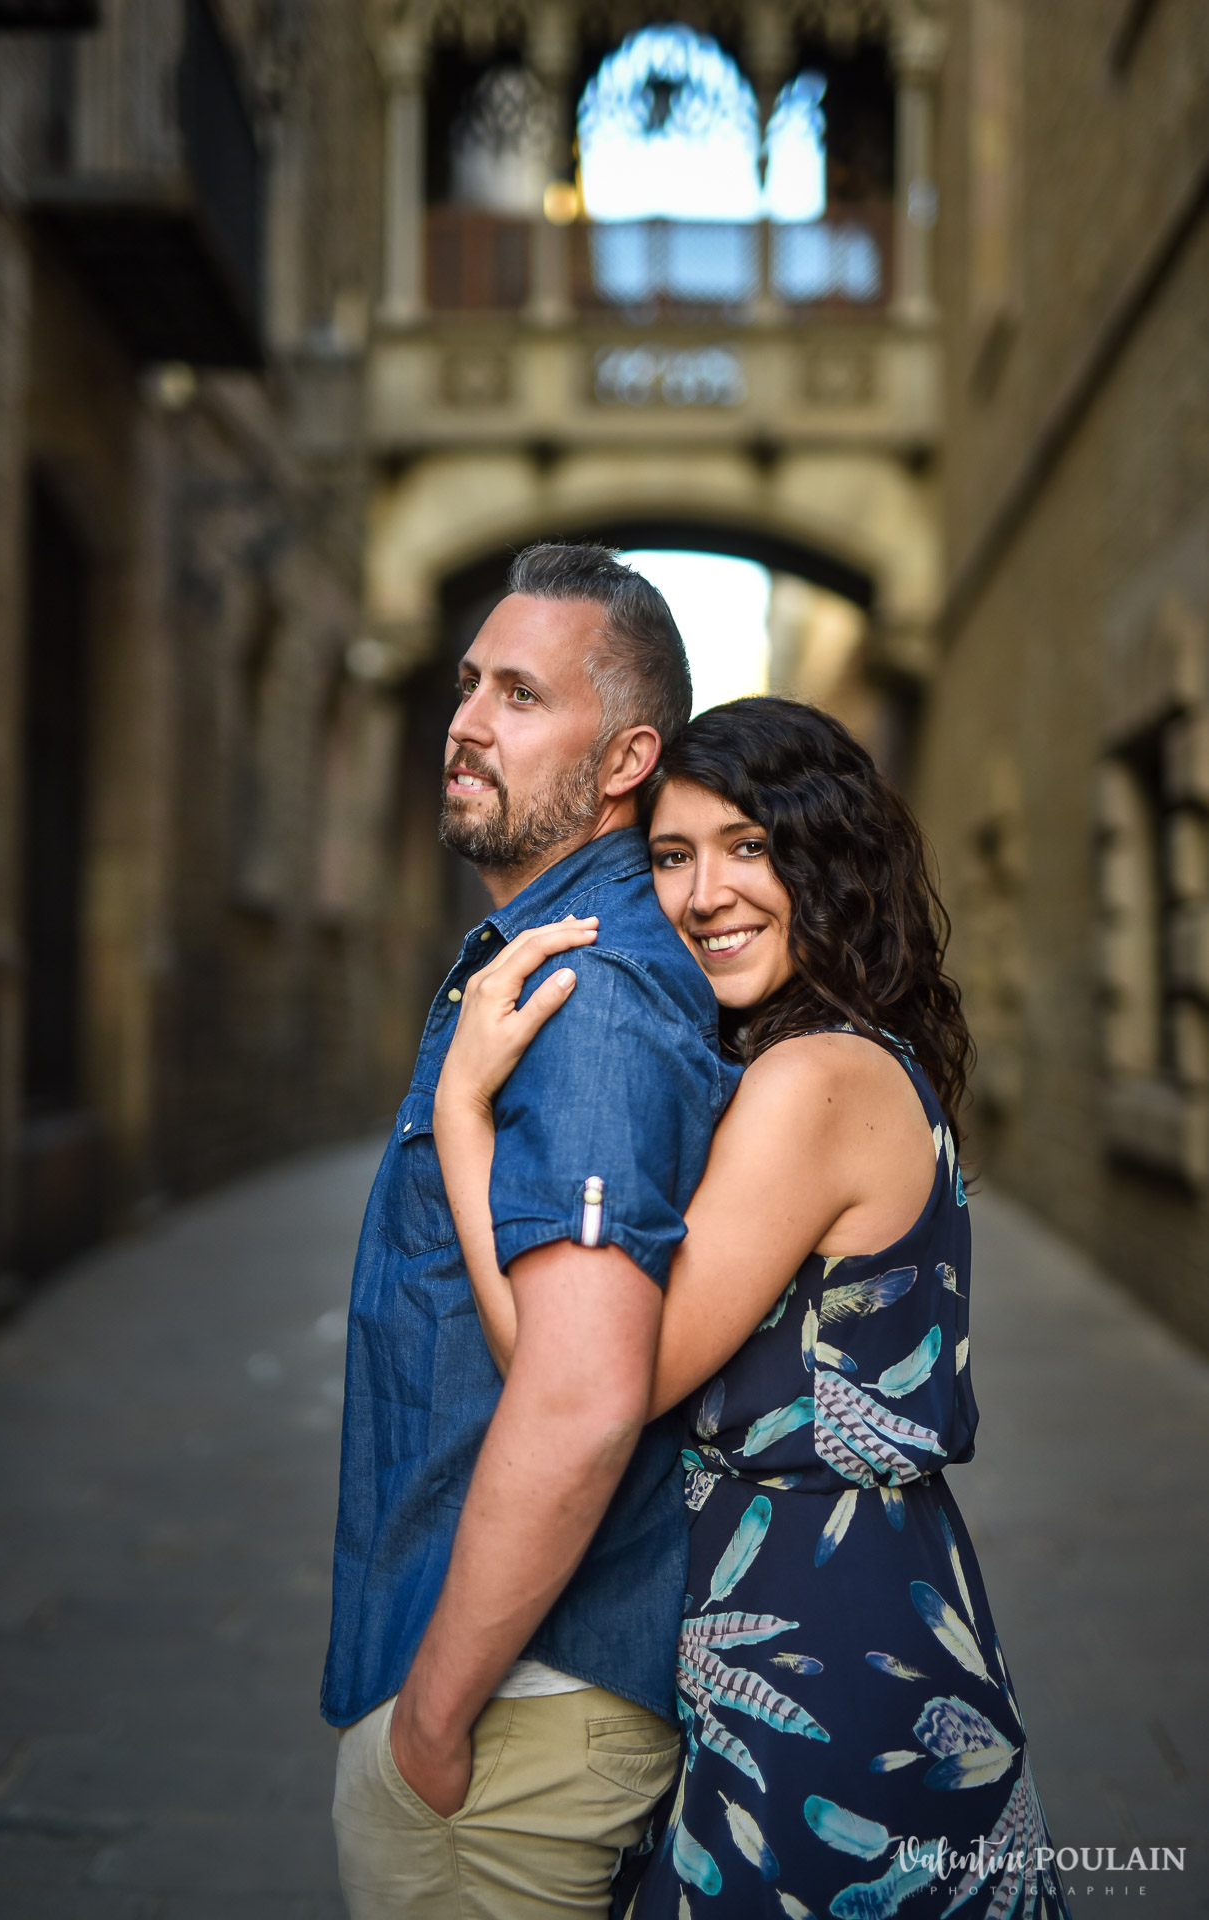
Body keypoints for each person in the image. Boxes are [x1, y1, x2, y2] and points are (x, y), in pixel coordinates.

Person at [432, 697, 1070, 1920]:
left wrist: (466, 1119)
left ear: (825, 859)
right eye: (671, 856)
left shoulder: (809, 1078)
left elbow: (589, 1387)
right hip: (848, 1604)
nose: (703, 892)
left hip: (826, 1648)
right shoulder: (852, 1053)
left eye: (748, 845)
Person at [321, 544, 742, 1918]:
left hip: (517, 1719)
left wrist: (433, 1722)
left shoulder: (594, 994)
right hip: (503, 1693)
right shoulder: (537, 960)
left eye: (518, 694)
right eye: (466, 685)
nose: (463, 723)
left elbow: (578, 1394)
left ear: (623, 758)